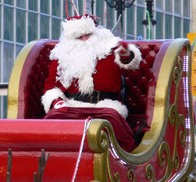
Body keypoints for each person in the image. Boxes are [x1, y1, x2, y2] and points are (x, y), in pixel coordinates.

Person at [41, 14, 142, 152]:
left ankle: (119, 166)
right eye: (79, 37)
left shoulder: (110, 47)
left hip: (106, 105)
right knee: (51, 122)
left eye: (87, 35)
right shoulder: (62, 55)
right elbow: (51, 86)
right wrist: (57, 102)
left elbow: (130, 64)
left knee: (112, 125)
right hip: (71, 106)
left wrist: (127, 56)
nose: (84, 40)